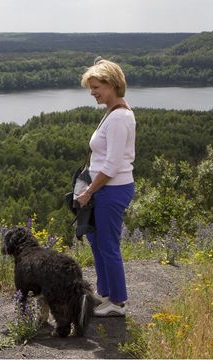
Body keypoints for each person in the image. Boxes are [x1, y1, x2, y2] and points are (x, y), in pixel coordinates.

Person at [76, 58, 136, 317]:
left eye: (96, 87)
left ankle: (118, 302)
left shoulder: (120, 117)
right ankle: (106, 294)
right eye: (91, 88)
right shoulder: (112, 113)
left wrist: (89, 192)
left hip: (111, 190)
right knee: (96, 240)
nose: (93, 93)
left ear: (112, 84)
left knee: (108, 244)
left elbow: (111, 164)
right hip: (103, 189)